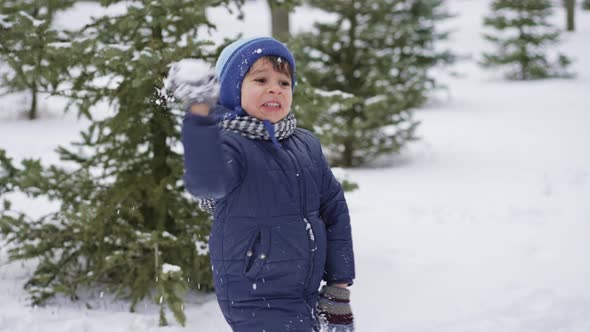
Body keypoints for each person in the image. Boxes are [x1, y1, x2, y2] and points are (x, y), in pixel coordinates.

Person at [167, 37, 355, 332]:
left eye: (284, 82)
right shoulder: (230, 145)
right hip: (255, 293)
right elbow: (207, 183)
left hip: (308, 290)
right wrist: (200, 115)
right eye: (261, 79)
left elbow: (334, 213)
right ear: (232, 90)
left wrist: (339, 286)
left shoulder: (306, 144)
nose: (274, 88)